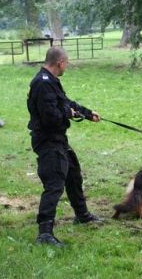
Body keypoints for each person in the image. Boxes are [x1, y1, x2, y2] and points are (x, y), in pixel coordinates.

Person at [27, 46, 103, 247]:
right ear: (60, 62)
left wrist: (86, 113)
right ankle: (44, 234)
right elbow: (51, 116)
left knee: (73, 174)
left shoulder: (51, 82)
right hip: (48, 140)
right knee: (54, 184)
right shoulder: (42, 84)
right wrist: (70, 114)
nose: (66, 67)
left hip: (58, 139)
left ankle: (82, 216)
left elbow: (65, 103)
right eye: (66, 63)